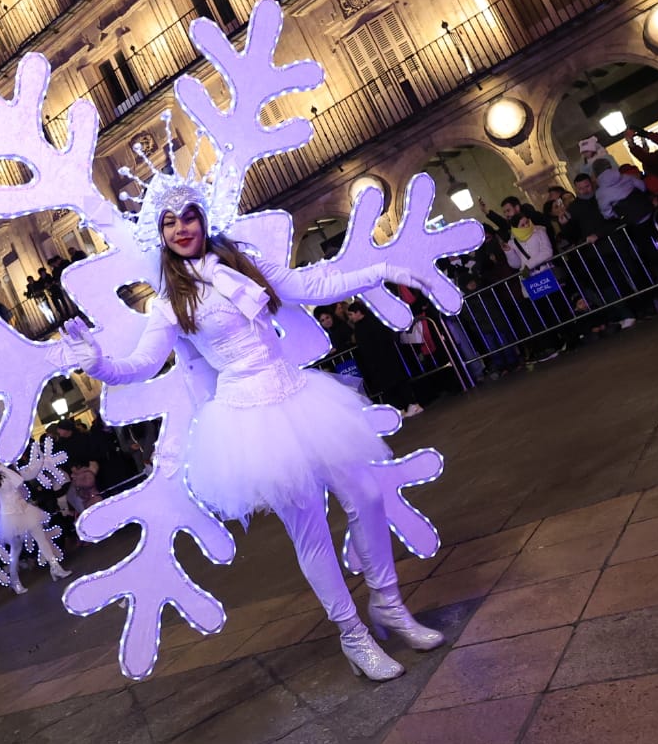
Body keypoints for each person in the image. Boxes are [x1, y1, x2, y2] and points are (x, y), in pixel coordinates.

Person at [52, 197, 452, 681]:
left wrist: (382, 269)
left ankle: (389, 605)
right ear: (159, 235)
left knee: (366, 495)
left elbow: (312, 284)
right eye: (169, 222)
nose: (182, 228)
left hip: (299, 393)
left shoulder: (240, 264)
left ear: (204, 218)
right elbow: (138, 366)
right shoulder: (169, 302)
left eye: (190, 216)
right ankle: (353, 635)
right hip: (250, 416)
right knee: (310, 528)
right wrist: (93, 362)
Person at [0, 449, 71, 591]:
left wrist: (40, 461)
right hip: (9, 515)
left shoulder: (11, 468)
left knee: (41, 538)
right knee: (16, 548)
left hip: (25, 509)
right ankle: (14, 580)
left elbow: (28, 475)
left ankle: (55, 568)